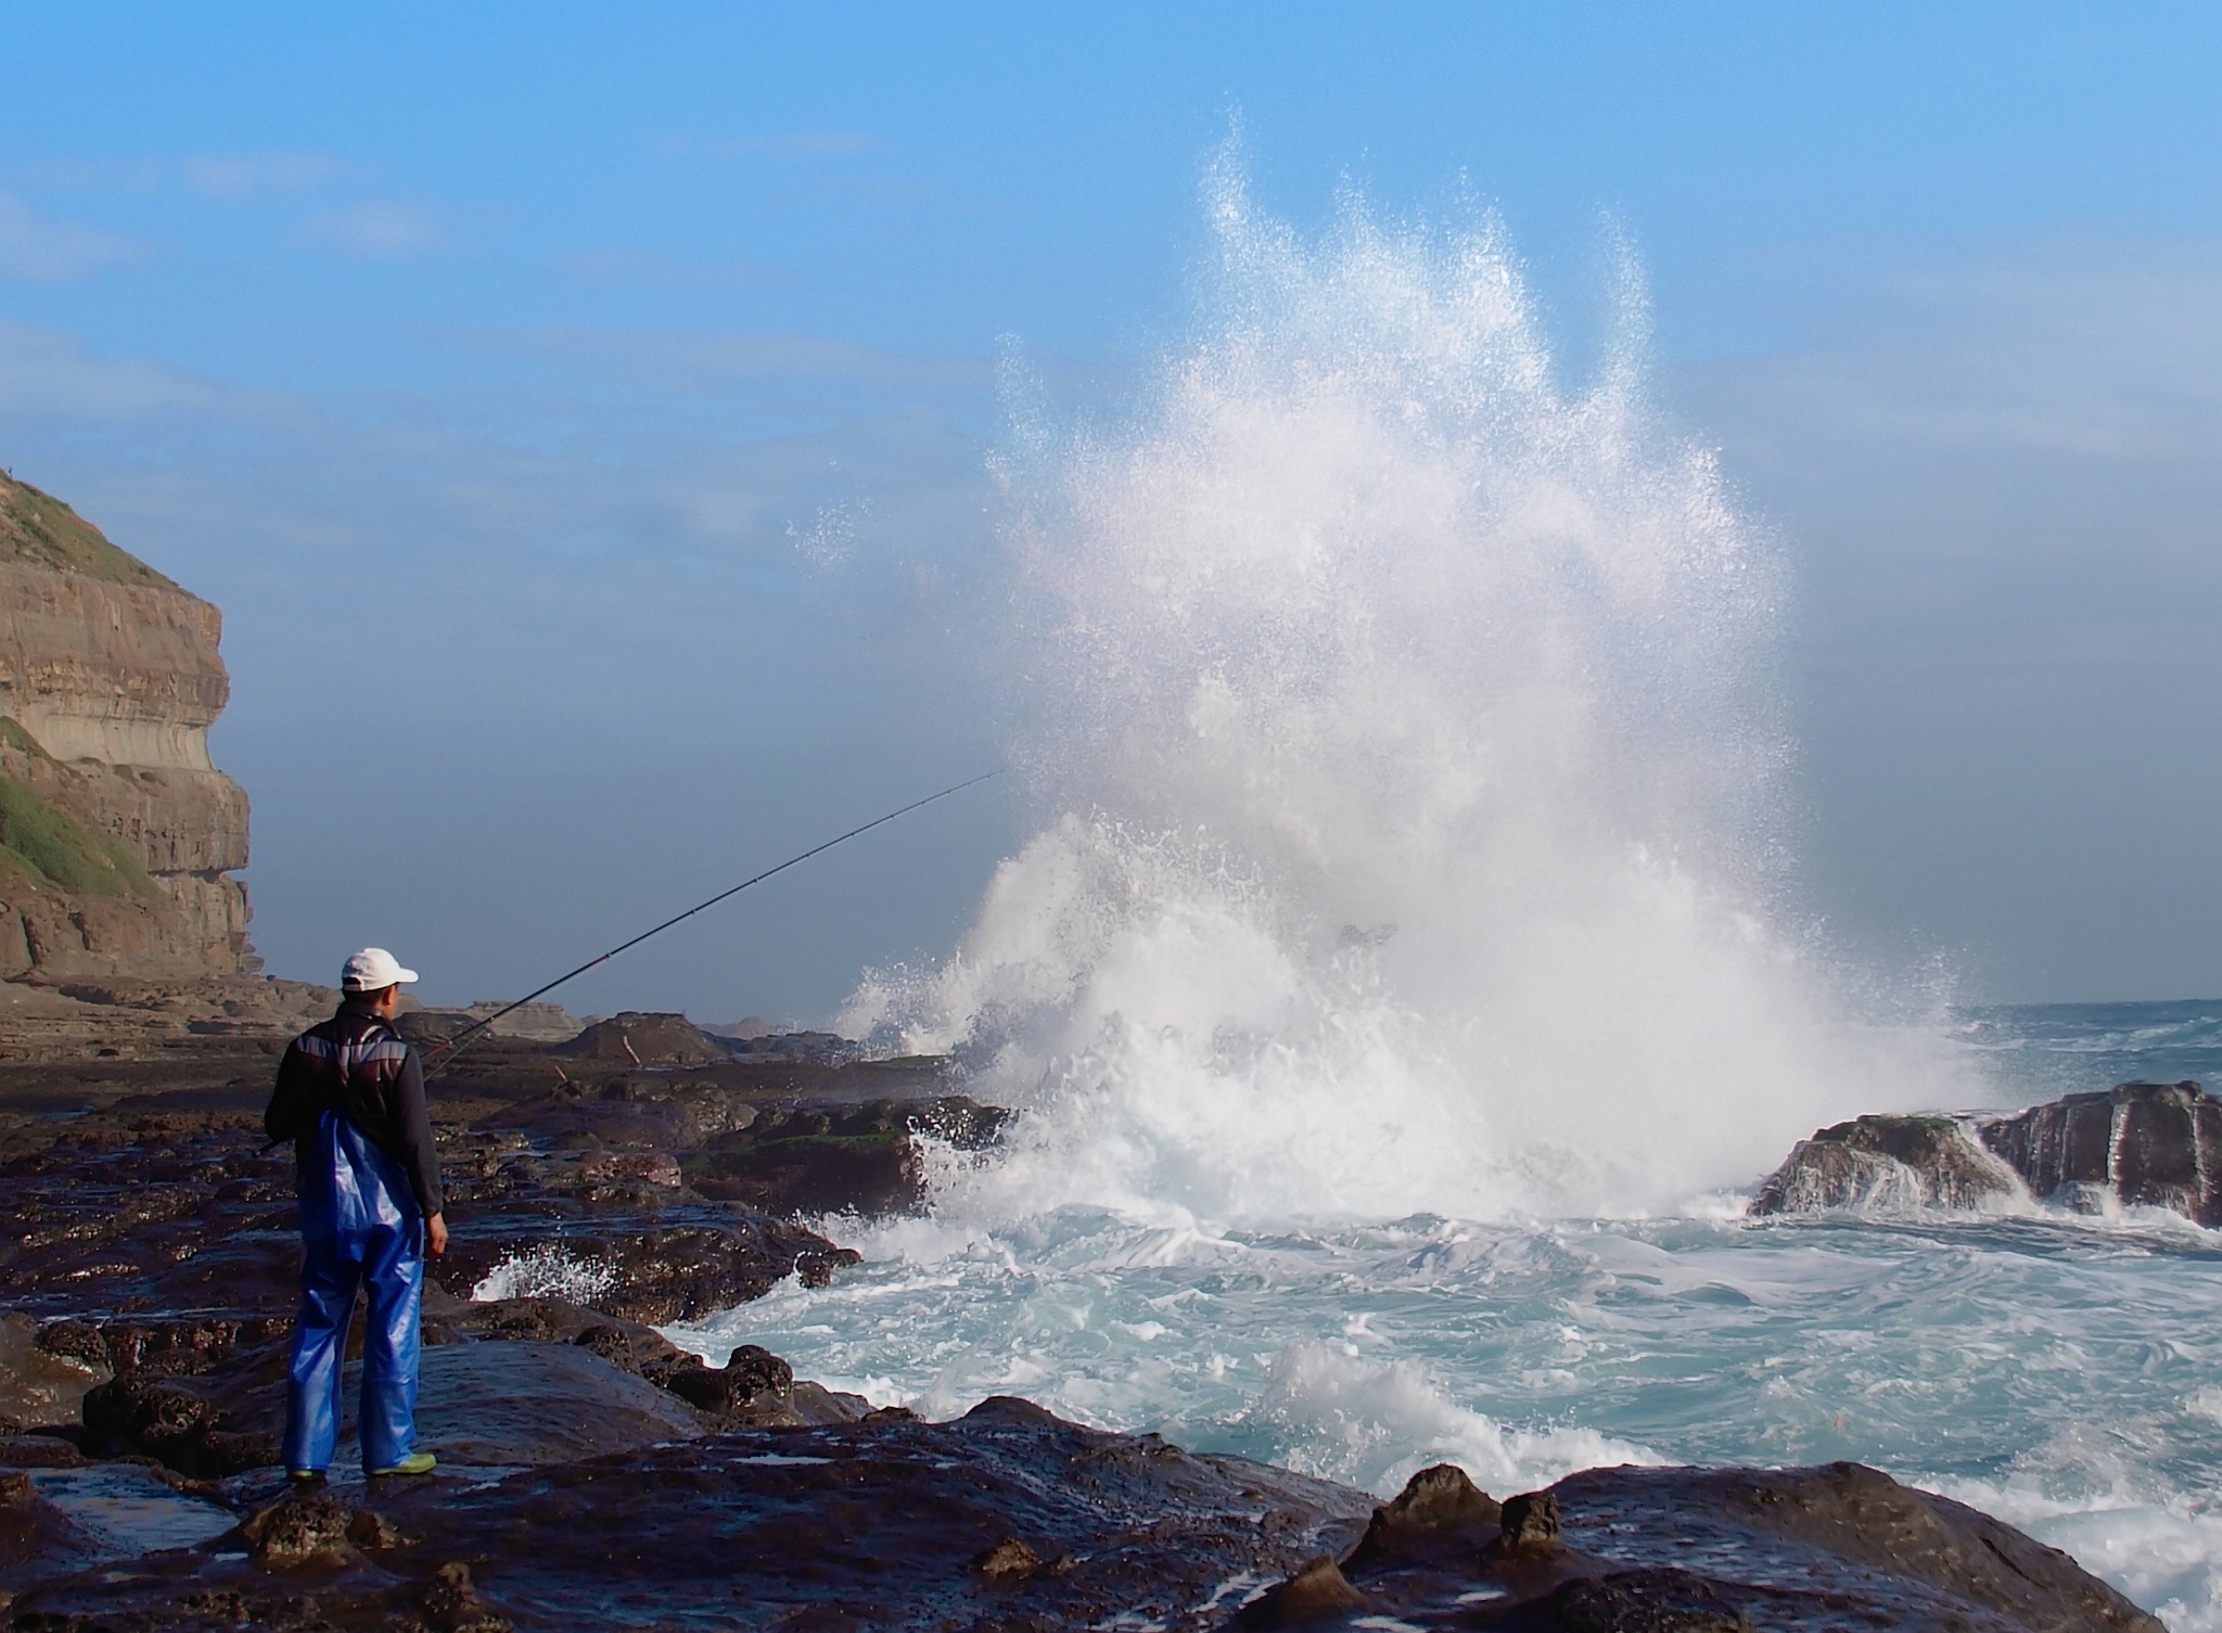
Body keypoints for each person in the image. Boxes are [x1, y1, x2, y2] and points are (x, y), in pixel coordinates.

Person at [264, 947, 448, 1481]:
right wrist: (433, 1210)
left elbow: (277, 1122)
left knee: (320, 1321)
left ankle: (304, 1455)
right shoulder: (397, 1054)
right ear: (386, 995)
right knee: (393, 1321)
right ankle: (389, 1452)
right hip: (389, 1212)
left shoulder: (304, 1047)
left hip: (325, 1207)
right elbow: (417, 1141)